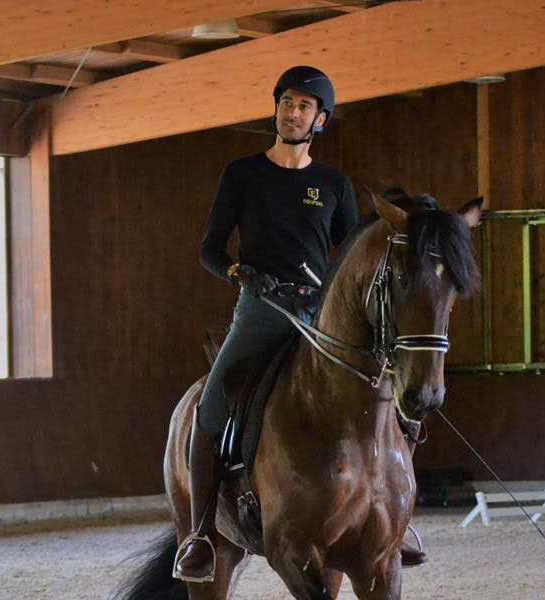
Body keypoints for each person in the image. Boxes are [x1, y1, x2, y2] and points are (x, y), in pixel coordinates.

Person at [173, 66, 424, 584]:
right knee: (214, 403)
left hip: (321, 314)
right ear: (277, 110)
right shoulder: (242, 174)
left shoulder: (332, 184)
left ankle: (397, 521)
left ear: (320, 119)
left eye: (304, 106)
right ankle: (199, 533)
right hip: (261, 311)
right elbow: (209, 251)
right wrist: (242, 273)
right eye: (287, 103)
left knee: (392, 394)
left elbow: (351, 249)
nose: (293, 112)